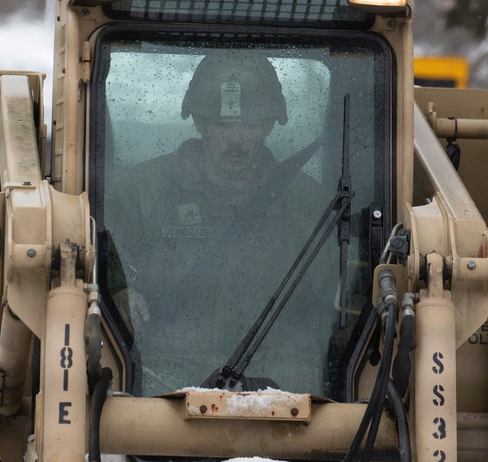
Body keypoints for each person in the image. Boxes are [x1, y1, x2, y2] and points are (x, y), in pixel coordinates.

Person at [106, 50, 336, 395]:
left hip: (280, 387)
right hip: (162, 381)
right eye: (223, 125)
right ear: (199, 122)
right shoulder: (142, 192)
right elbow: (95, 261)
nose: (236, 140)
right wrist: (122, 292)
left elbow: (333, 300)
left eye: (250, 126)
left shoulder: (309, 204)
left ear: (269, 126)